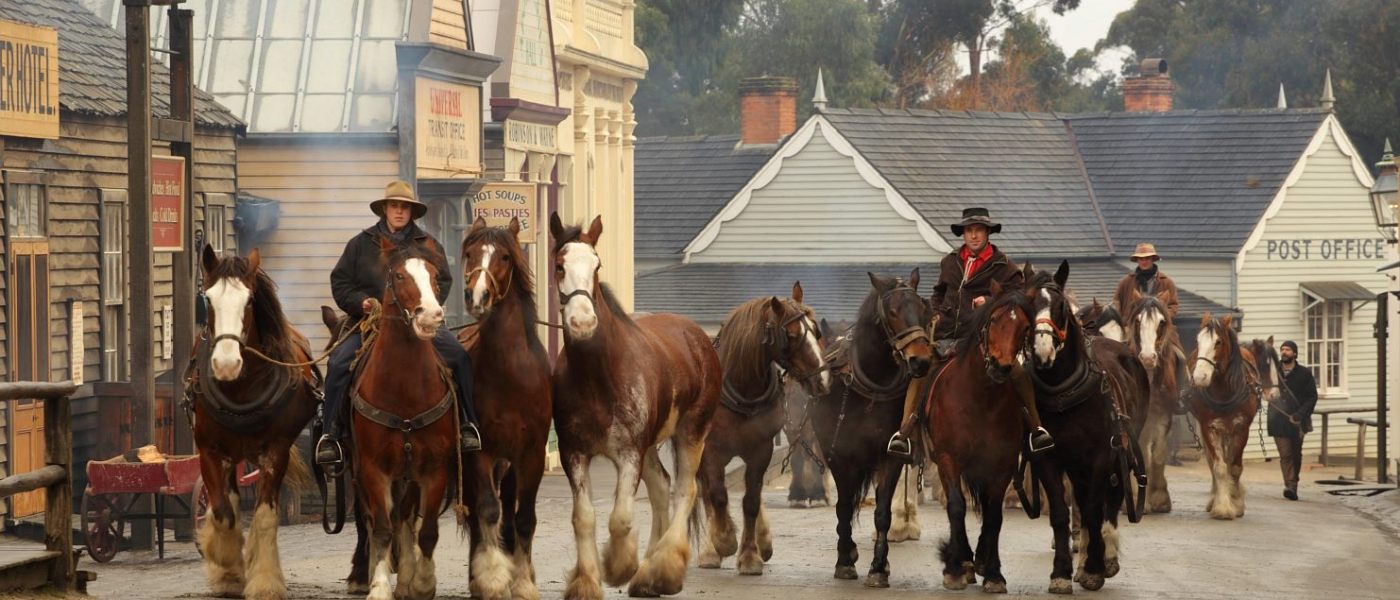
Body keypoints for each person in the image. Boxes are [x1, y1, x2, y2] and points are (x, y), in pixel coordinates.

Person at [315, 180, 482, 469]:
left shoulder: (427, 244)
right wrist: (362, 303)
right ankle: (332, 434)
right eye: (395, 206)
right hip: (369, 322)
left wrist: (425, 302)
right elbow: (340, 282)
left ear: (412, 212)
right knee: (339, 362)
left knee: (458, 356)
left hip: (420, 319)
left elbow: (443, 279)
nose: (400, 211)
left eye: (405, 207)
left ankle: (468, 424)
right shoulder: (360, 244)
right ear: (385, 209)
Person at [886, 207, 1054, 459]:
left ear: (988, 233)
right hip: (944, 333)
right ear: (963, 234)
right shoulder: (949, 261)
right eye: (969, 231)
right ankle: (905, 433)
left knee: (1018, 374)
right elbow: (939, 292)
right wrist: (935, 311)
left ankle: (1036, 428)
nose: (974, 236)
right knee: (920, 372)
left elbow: (1018, 299)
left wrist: (989, 301)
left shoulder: (1005, 267)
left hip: (984, 337)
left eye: (979, 231)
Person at [1270, 340, 1318, 501]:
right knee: (1285, 454)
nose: (1284, 352)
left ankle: (1293, 482)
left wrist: (1299, 415)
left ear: (1295, 354)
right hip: (1278, 420)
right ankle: (1290, 486)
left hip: (1298, 421)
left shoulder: (1304, 373)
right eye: (1282, 349)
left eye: (1288, 349)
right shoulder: (1273, 372)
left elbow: (1312, 397)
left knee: (1296, 454)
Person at [1112, 242, 1179, 320]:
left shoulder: (1167, 282)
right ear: (1137, 260)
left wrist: (1160, 317)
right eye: (1141, 259)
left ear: (1153, 259)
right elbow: (1116, 303)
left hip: (1157, 327)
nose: (1144, 262)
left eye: (1147, 258)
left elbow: (1173, 306)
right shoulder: (1125, 282)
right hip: (1131, 326)